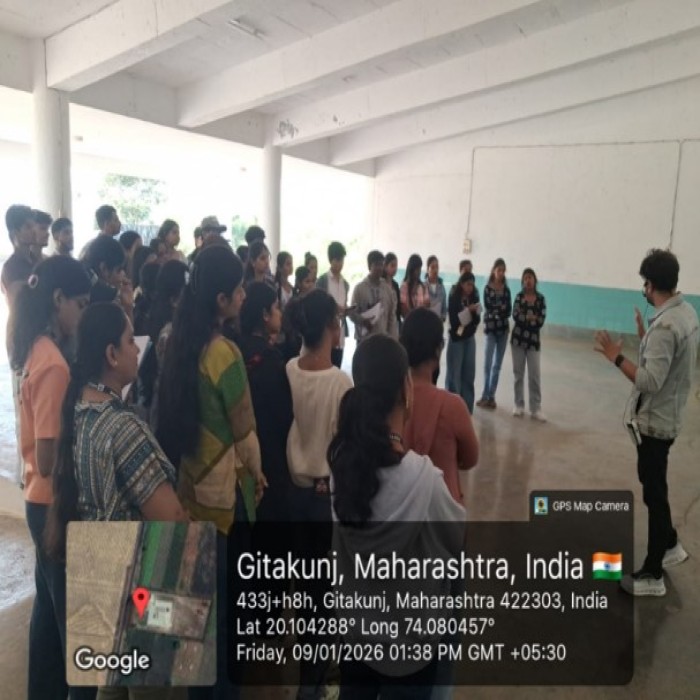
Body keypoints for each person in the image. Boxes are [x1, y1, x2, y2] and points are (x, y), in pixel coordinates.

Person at [45, 301, 187, 700]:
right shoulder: (123, 428)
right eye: (129, 341)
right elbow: (171, 520)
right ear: (111, 354)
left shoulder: (79, 412)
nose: (136, 349)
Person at [328, 334, 465, 698]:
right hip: (410, 650)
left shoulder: (341, 466)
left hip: (356, 637)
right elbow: (456, 542)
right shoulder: (426, 481)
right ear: (407, 390)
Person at [156, 246, 265, 699]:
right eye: (238, 290)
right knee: (224, 626)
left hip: (186, 495)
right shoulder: (225, 354)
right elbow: (246, 434)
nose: (244, 295)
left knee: (196, 622)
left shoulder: (174, 340)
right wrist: (258, 474)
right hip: (222, 505)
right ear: (220, 300)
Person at [595, 249, 699, 597]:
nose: (644, 288)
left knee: (654, 493)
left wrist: (616, 358)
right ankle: (670, 545)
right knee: (654, 484)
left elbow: (650, 381)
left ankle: (653, 574)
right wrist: (646, 336)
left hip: (657, 423)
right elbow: (667, 362)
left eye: (645, 283)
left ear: (651, 284)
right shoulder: (685, 312)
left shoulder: (666, 326)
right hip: (670, 415)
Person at [10, 256, 91, 700]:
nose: (82, 315)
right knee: (73, 625)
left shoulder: (35, 348)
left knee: (47, 616)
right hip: (52, 502)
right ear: (58, 299)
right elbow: (46, 458)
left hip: (35, 499)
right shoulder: (54, 364)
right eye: (80, 304)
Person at [285, 289, 353, 700]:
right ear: (332, 328)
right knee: (327, 597)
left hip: (294, 496)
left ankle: (307, 679)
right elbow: (344, 447)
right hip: (325, 499)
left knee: (306, 591)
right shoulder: (340, 383)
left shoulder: (288, 369)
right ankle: (313, 684)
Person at [401, 308, 479, 502]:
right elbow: (470, 459)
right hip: (444, 506)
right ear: (438, 349)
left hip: (401, 506)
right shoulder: (453, 406)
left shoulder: (389, 400)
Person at [238, 282, 293, 522]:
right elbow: (283, 415)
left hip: (242, 448)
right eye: (276, 307)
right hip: (269, 451)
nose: (280, 313)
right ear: (264, 314)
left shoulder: (235, 347)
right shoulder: (269, 359)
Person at [137, 260, 188, 425]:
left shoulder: (154, 321)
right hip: (170, 409)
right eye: (187, 295)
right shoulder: (170, 333)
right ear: (174, 300)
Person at [511, 268, 547, 421]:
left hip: (533, 342)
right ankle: (518, 404)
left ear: (535, 280)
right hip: (517, 341)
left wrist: (527, 317)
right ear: (522, 281)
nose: (528, 280)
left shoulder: (541, 299)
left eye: (530, 277)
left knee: (534, 375)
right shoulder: (519, 297)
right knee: (518, 374)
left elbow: (541, 320)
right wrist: (530, 318)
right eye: (525, 278)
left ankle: (536, 408)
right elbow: (515, 315)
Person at [476, 258, 511, 410]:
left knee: (497, 365)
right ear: (493, 270)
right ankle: (484, 395)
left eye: (503, 271)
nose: (501, 273)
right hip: (490, 329)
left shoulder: (506, 290)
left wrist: (498, 311)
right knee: (487, 363)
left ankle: (492, 396)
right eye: (498, 270)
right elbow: (488, 307)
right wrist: (500, 309)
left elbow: (508, 310)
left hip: (503, 330)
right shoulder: (487, 289)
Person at [446, 271, 481, 413]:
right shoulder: (454, 297)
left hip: (469, 337)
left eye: (472, 285)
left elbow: (477, 320)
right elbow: (455, 321)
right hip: (457, 339)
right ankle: (454, 409)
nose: (470, 287)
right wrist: (468, 312)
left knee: (469, 374)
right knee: (455, 375)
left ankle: (467, 409)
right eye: (468, 284)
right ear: (461, 284)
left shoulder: (474, 296)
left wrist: (474, 312)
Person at [350, 251, 398, 342]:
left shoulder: (387, 289)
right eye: (376, 264)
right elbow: (351, 313)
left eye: (381, 264)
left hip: (382, 339)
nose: (379, 268)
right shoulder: (359, 289)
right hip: (364, 340)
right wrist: (363, 321)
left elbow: (391, 317)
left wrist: (394, 340)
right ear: (369, 266)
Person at [84, 235, 134, 322]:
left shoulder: (83, 276)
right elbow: (124, 330)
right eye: (119, 270)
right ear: (104, 268)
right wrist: (128, 307)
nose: (123, 274)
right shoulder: (107, 297)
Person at [316, 241, 350, 368]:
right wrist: (334, 308)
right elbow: (319, 305)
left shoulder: (345, 283)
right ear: (331, 260)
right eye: (337, 260)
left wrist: (347, 309)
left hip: (340, 334)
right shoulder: (322, 281)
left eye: (342, 260)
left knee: (337, 367)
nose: (340, 264)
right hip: (326, 332)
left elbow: (344, 304)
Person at [383, 252, 402, 331]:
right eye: (392, 265)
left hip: (394, 322)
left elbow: (398, 307)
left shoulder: (395, 285)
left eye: (396, 266)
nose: (395, 269)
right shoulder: (381, 284)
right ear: (385, 266)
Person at [425, 255, 447, 321]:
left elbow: (444, 307)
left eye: (437, 267)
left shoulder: (442, 287)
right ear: (427, 269)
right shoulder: (423, 287)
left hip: (438, 322)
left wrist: (443, 318)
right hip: (426, 321)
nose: (435, 270)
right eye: (432, 267)